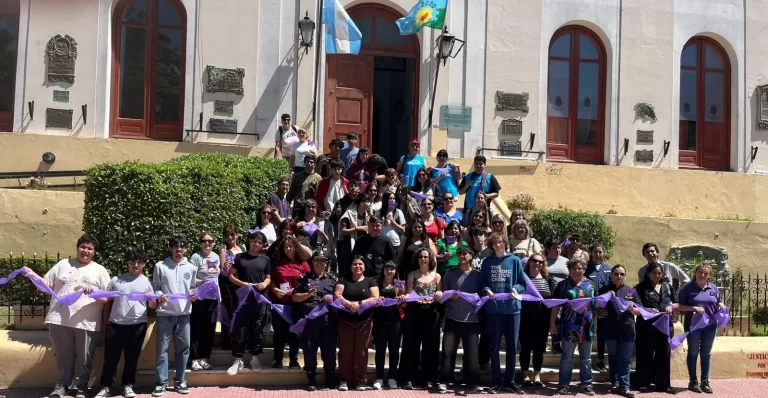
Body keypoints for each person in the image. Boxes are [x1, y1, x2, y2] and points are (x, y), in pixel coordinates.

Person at [33, 234, 110, 398]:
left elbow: (106, 299)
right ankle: (62, 385)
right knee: (62, 354)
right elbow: (46, 284)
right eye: (83, 247)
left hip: (87, 322)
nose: (86, 251)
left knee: (85, 356)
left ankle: (82, 386)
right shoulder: (62, 264)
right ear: (77, 248)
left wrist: (94, 293)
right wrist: (32, 275)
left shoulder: (100, 270)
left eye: (90, 249)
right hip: (58, 319)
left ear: (94, 252)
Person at [94, 249, 156, 398]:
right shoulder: (116, 280)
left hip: (137, 325)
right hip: (115, 324)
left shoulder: (147, 282)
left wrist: (151, 299)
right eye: (132, 262)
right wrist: (92, 292)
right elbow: (106, 300)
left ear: (144, 264)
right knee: (111, 358)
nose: (135, 265)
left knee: (132, 357)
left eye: (139, 262)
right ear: (127, 263)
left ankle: (127, 386)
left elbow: (153, 306)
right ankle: (106, 386)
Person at [480, 232, 526, 393]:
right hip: (493, 310)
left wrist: (516, 288)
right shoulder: (487, 262)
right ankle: (496, 380)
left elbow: (522, 283)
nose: (498, 245)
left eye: (500, 242)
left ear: (505, 243)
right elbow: (483, 284)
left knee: (512, 347)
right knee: (494, 347)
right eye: (495, 243)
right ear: (491, 246)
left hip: (513, 310)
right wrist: (487, 291)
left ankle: (510, 380)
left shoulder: (515, 261)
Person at [152, 236, 197, 397]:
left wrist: (194, 295)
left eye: (182, 247)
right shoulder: (160, 266)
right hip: (165, 314)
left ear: (186, 249)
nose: (179, 250)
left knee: (183, 349)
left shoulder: (191, 267)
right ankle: (161, 383)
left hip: (184, 314)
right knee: (162, 350)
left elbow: (192, 288)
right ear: (171, 248)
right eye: (176, 247)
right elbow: (155, 287)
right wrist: (159, 295)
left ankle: (180, 381)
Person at [438, 246, 483, 394]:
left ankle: (472, 382)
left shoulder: (477, 275)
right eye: (459, 254)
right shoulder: (450, 274)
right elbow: (442, 295)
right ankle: (444, 380)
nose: (462, 256)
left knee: (472, 354)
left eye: (465, 254)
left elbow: (482, 296)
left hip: (472, 320)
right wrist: (448, 295)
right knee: (447, 352)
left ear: (471, 256)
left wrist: (477, 297)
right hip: (452, 318)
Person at [226, 231, 271, 375]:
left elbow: (269, 277)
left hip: (260, 298)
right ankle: (238, 359)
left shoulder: (266, 259)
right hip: (244, 299)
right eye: (253, 241)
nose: (256, 244)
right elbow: (230, 275)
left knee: (257, 327)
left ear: (262, 245)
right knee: (240, 328)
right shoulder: (240, 257)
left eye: (259, 242)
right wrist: (243, 284)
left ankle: (255, 357)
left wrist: (265, 283)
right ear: (249, 241)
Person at [550, 257, 597, 396]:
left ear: (584, 269)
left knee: (586, 357)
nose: (577, 271)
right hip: (568, 326)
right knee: (566, 357)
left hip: (587, 327)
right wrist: (552, 323)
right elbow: (555, 305)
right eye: (573, 268)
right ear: (569, 270)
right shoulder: (563, 285)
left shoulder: (592, 284)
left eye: (580, 268)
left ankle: (586, 385)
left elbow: (596, 305)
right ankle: (564, 385)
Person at [676, 264, 726, 394]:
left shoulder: (713, 287)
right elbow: (679, 306)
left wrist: (720, 304)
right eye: (700, 272)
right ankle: (693, 381)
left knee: (706, 353)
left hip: (710, 325)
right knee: (693, 352)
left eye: (705, 273)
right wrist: (693, 308)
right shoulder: (687, 288)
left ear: (709, 275)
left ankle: (705, 381)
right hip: (694, 325)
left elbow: (718, 301)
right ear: (695, 272)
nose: (702, 275)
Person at [293, 253, 338, 390]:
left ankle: (330, 377)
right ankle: (311, 379)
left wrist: (332, 298)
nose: (320, 263)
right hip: (310, 321)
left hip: (328, 321)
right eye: (317, 261)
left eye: (322, 261)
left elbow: (340, 298)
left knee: (329, 350)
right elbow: (294, 297)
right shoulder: (304, 278)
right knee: (310, 350)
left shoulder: (332, 279)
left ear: (326, 263)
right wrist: (307, 294)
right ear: (313, 262)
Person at [334, 255, 380, 391]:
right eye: (354, 264)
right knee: (346, 350)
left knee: (361, 351)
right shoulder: (343, 280)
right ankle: (343, 380)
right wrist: (349, 304)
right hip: (345, 321)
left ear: (364, 267)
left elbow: (375, 297)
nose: (357, 266)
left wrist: (359, 303)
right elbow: (337, 294)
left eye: (360, 264)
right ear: (350, 267)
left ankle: (361, 380)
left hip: (364, 322)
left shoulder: (370, 281)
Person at [399, 248, 442, 390]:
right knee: (411, 345)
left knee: (431, 345)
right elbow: (409, 294)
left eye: (425, 256)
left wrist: (440, 294)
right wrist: (403, 297)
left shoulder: (437, 276)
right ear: (417, 259)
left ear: (430, 259)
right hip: (415, 312)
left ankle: (429, 378)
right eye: (420, 257)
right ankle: (409, 378)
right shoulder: (412, 275)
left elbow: (439, 296)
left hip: (431, 312)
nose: (423, 259)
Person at [595, 264, 641, 398]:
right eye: (616, 274)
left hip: (627, 330)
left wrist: (633, 309)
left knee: (625, 360)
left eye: (621, 274)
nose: (618, 276)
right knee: (613, 358)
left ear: (625, 276)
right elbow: (596, 307)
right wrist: (599, 310)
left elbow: (640, 310)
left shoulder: (631, 291)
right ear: (611, 275)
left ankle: (624, 387)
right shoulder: (604, 290)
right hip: (611, 330)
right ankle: (614, 382)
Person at [634, 262, 676, 394]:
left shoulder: (668, 287)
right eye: (654, 273)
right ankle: (643, 383)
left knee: (664, 354)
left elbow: (676, 303)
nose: (657, 275)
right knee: (645, 354)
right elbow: (633, 305)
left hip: (664, 326)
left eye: (659, 273)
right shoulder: (639, 288)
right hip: (646, 326)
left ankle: (663, 384)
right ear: (648, 274)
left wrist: (672, 307)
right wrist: (646, 309)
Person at [270, 236, 310, 369]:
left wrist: (296, 290)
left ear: (296, 247)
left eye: (291, 246)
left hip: (296, 303)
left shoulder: (303, 264)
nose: (288, 249)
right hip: (280, 303)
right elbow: (273, 281)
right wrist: (275, 290)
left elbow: (309, 281)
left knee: (295, 333)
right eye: (286, 247)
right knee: (279, 334)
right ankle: (278, 360)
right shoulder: (278, 263)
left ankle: (294, 360)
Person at [519, 253, 556, 389]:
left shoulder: (549, 280)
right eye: (534, 261)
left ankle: (537, 374)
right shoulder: (522, 278)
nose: (537, 264)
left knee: (539, 349)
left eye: (540, 262)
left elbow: (552, 302)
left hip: (543, 320)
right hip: (525, 319)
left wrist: (552, 321)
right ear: (529, 262)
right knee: (525, 348)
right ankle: (524, 374)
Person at [189, 232, 221, 371]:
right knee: (196, 329)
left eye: (210, 241)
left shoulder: (215, 256)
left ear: (214, 243)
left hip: (213, 299)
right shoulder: (195, 257)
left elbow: (216, 275)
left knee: (209, 329)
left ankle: (204, 358)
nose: (207, 243)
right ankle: (195, 359)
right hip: (199, 298)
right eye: (204, 241)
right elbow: (190, 279)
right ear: (200, 242)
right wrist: (202, 282)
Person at [372, 261, 403, 390]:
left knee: (394, 351)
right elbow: (372, 300)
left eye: (392, 269)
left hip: (395, 321)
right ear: (383, 270)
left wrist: (401, 299)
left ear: (395, 271)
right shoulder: (377, 283)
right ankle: (379, 378)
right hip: (380, 321)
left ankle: (392, 378)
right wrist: (377, 302)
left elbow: (404, 300)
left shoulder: (399, 284)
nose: (389, 271)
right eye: (387, 268)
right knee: (380, 350)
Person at [468, 226, 492, 370]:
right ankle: (470, 361)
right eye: (475, 234)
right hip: (470, 296)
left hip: (485, 297)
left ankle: (483, 360)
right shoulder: (469, 253)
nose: (478, 237)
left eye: (481, 234)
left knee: (486, 331)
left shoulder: (490, 254)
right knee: (470, 331)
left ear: (485, 236)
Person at [219, 223, 246, 350]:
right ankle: (227, 341)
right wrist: (225, 267)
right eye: (227, 235)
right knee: (229, 311)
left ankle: (240, 339)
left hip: (241, 283)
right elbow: (223, 272)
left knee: (241, 311)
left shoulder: (243, 248)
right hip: (228, 284)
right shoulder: (223, 250)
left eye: (232, 235)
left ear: (237, 235)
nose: (230, 238)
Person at [586, 243, 612, 373]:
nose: (598, 254)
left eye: (600, 252)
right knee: (587, 331)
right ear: (591, 253)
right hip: (589, 304)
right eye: (595, 252)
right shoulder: (586, 268)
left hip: (604, 305)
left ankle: (600, 360)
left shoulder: (608, 268)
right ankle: (585, 358)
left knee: (602, 333)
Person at [458, 155, 501, 220]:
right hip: (469, 210)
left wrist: (486, 196)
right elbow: (460, 192)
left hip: (484, 212)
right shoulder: (467, 176)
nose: (478, 166)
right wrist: (467, 185)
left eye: (481, 164)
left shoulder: (490, 177)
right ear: (474, 164)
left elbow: (496, 193)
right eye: (476, 163)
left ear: (485, 165)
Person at [338, 196, 371, 279]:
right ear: (361, 203)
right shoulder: (349, 214)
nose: (370, 204)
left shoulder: (367, 216)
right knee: (346, 271)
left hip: (362, 248)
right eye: (368, 201)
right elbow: (342, 231)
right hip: (349, 247)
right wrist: (357, 228)